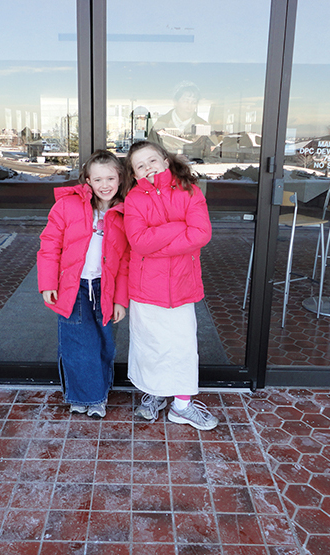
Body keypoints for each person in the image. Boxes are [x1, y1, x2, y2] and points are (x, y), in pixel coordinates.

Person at [123, 140, 218, 430]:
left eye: (152, 160)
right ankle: (153, 394)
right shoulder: (134, 200)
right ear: (135, 174)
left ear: (165, 161)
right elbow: (138, 242)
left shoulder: (190, 191)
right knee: (148, 344)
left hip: (181, 285)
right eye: (140, 165)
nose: (148, 168)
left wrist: (156, 242)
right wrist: (178, 227)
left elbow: (201, 234)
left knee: (182, 346)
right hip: (145, 288)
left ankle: (182, 406)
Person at [37, 150, 129, 418]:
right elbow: (49, 245)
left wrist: (120, 300)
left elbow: (125, 261)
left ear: (120, 178)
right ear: (87, 180)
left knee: (103, 342)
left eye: (110, 178)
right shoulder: (67, 206)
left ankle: (97, 395)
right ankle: (81, 396)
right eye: (97, 179)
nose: (104, 185)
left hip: (105, 287)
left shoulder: (125, 212)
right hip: (73, 287)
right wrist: (48, 283)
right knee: (77, 342)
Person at [148, 81, 215, 161]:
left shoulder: (204, 127)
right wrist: (172, 160)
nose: (189, 106)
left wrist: (198, 162)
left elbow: (214, 157)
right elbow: (149, 153)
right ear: (175, 102)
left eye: (193, 102)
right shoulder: (160, 126)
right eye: (186, 101)